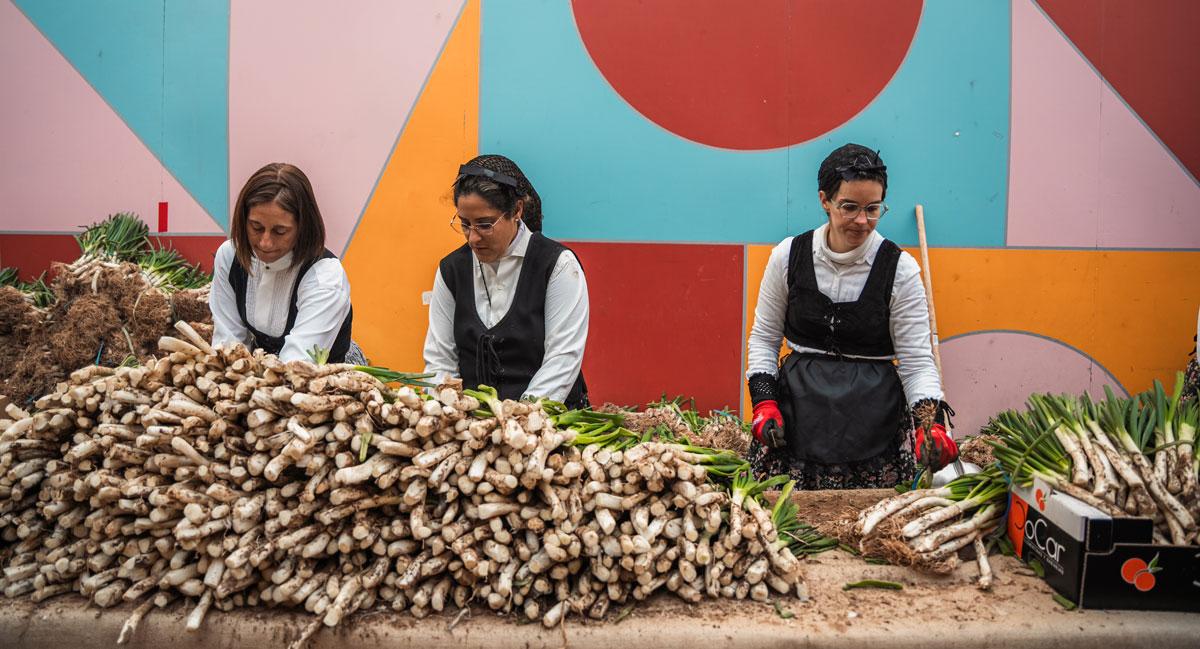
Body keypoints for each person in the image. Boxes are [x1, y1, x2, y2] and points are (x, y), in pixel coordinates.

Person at [745, 143, 956, 489]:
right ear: (824, 201)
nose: (862, 221)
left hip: (874, 425)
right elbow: (764, 338)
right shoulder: (788, 257)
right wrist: (764, 401)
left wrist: (929, 424)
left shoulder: (900, 270)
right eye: (849, 207)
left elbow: (917, 362)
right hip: (797, 419)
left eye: (873, 209)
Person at [423, 154, 589, 407]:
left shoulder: (558, 265)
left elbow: (562, 358)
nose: (473, 238)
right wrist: (447, 411)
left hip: (547, 420)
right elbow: (440, 360)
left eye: (485, 225)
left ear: (517, 211)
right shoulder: (451, 270)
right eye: (465, 224)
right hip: (474, 422)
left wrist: (520, 417)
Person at [210, 163, 362, 364]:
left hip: (318, 376)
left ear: (303, 227)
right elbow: (228, 345)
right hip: (262, 373)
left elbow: (297, 365)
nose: (265, 242)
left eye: (280, 231)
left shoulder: (324, 277)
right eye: (256, 227)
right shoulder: (230, 256)